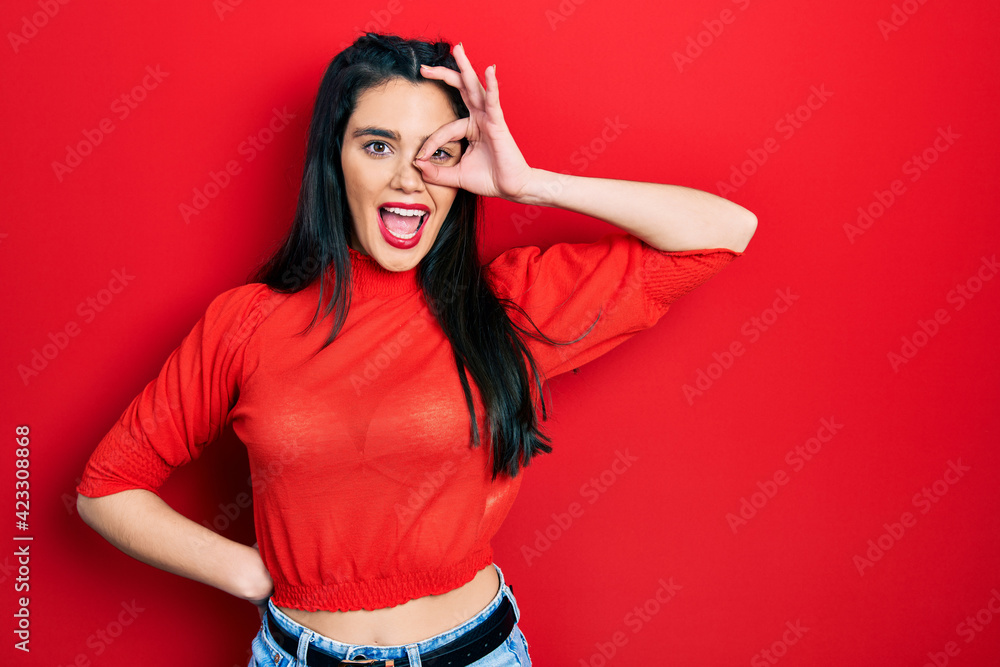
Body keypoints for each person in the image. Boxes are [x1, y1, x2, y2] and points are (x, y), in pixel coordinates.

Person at [75, 32, 756, 666]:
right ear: (333, 159)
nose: (409, 178)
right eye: (378, 146)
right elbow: (105, 487)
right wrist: (248, 571)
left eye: (437, 151)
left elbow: (724, 229)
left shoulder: (508, 305)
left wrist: (528, 183)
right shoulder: (247, 323)